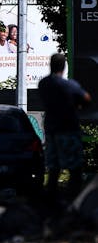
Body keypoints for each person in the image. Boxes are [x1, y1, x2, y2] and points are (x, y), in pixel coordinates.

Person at [38, 53, 92, 199]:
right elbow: (87, 98)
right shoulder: (69, 85)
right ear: (63, 66)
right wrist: (77, 106)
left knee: (53, 167)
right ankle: (74, 198)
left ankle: (50, 196)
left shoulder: (43, 84)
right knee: (74, 167)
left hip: (51, 129)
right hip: (68, 129)